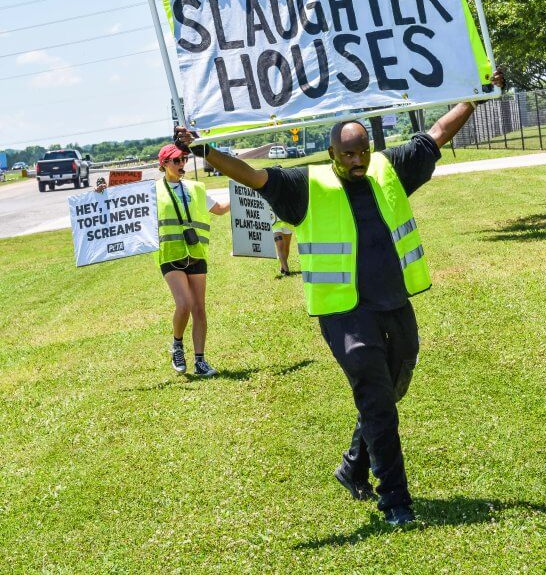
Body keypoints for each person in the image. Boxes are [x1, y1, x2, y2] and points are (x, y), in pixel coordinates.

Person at [174, 73, 504, 526]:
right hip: (343, 313)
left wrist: (475, 97)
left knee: (393, 386)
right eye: (348, 153)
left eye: (362, 150)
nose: (357, 160)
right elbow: (251, 175)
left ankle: (353, 466)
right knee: (377, 400)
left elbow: (436, 134)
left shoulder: (389, 169)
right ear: (332, 153)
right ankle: (396, 503)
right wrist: (204, 151)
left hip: (394, 302)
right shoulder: (305, 187)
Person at [97, 146, 230, 378]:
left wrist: (242, 192)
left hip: (196, 252)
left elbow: (218, 209)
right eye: (177, 160)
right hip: (170, 254)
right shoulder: (151, 190)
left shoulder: (195, 188)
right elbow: (123, 204)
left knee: (199, 309)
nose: (182, 164)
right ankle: (177, 345)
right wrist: (102, 192)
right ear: (164, 164)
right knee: (184, 304)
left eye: (184, 159)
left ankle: (200, 361)